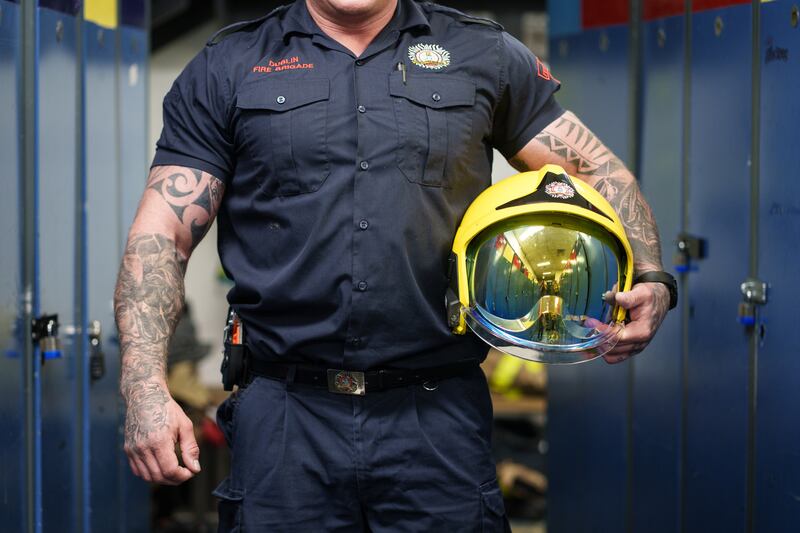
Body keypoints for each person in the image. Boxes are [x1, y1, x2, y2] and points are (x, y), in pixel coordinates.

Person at [114, 0, 672, 530]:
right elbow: (161, 237)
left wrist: (651, 276)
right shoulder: (229, 64)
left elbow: (596, 171)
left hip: (436, 418)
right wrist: (144, 390)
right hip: (285, 419)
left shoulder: (483, 53)